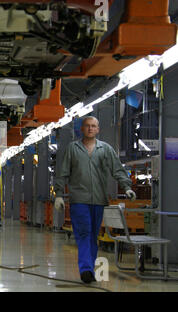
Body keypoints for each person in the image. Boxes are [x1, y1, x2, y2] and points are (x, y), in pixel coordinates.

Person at [54, 116, 136, 284]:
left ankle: (89, 269)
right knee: (83, 233)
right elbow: (63, 172)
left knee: (92, 237)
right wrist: (59, 194)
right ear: (82, 129)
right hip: (79, 200)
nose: (91, 129)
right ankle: (85, 270)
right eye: (87, 126)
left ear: (98, 129)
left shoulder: (105, 149)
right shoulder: (72, 148)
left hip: (99, 200)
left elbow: (117, 169)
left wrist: (127, 187)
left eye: (94, 126)